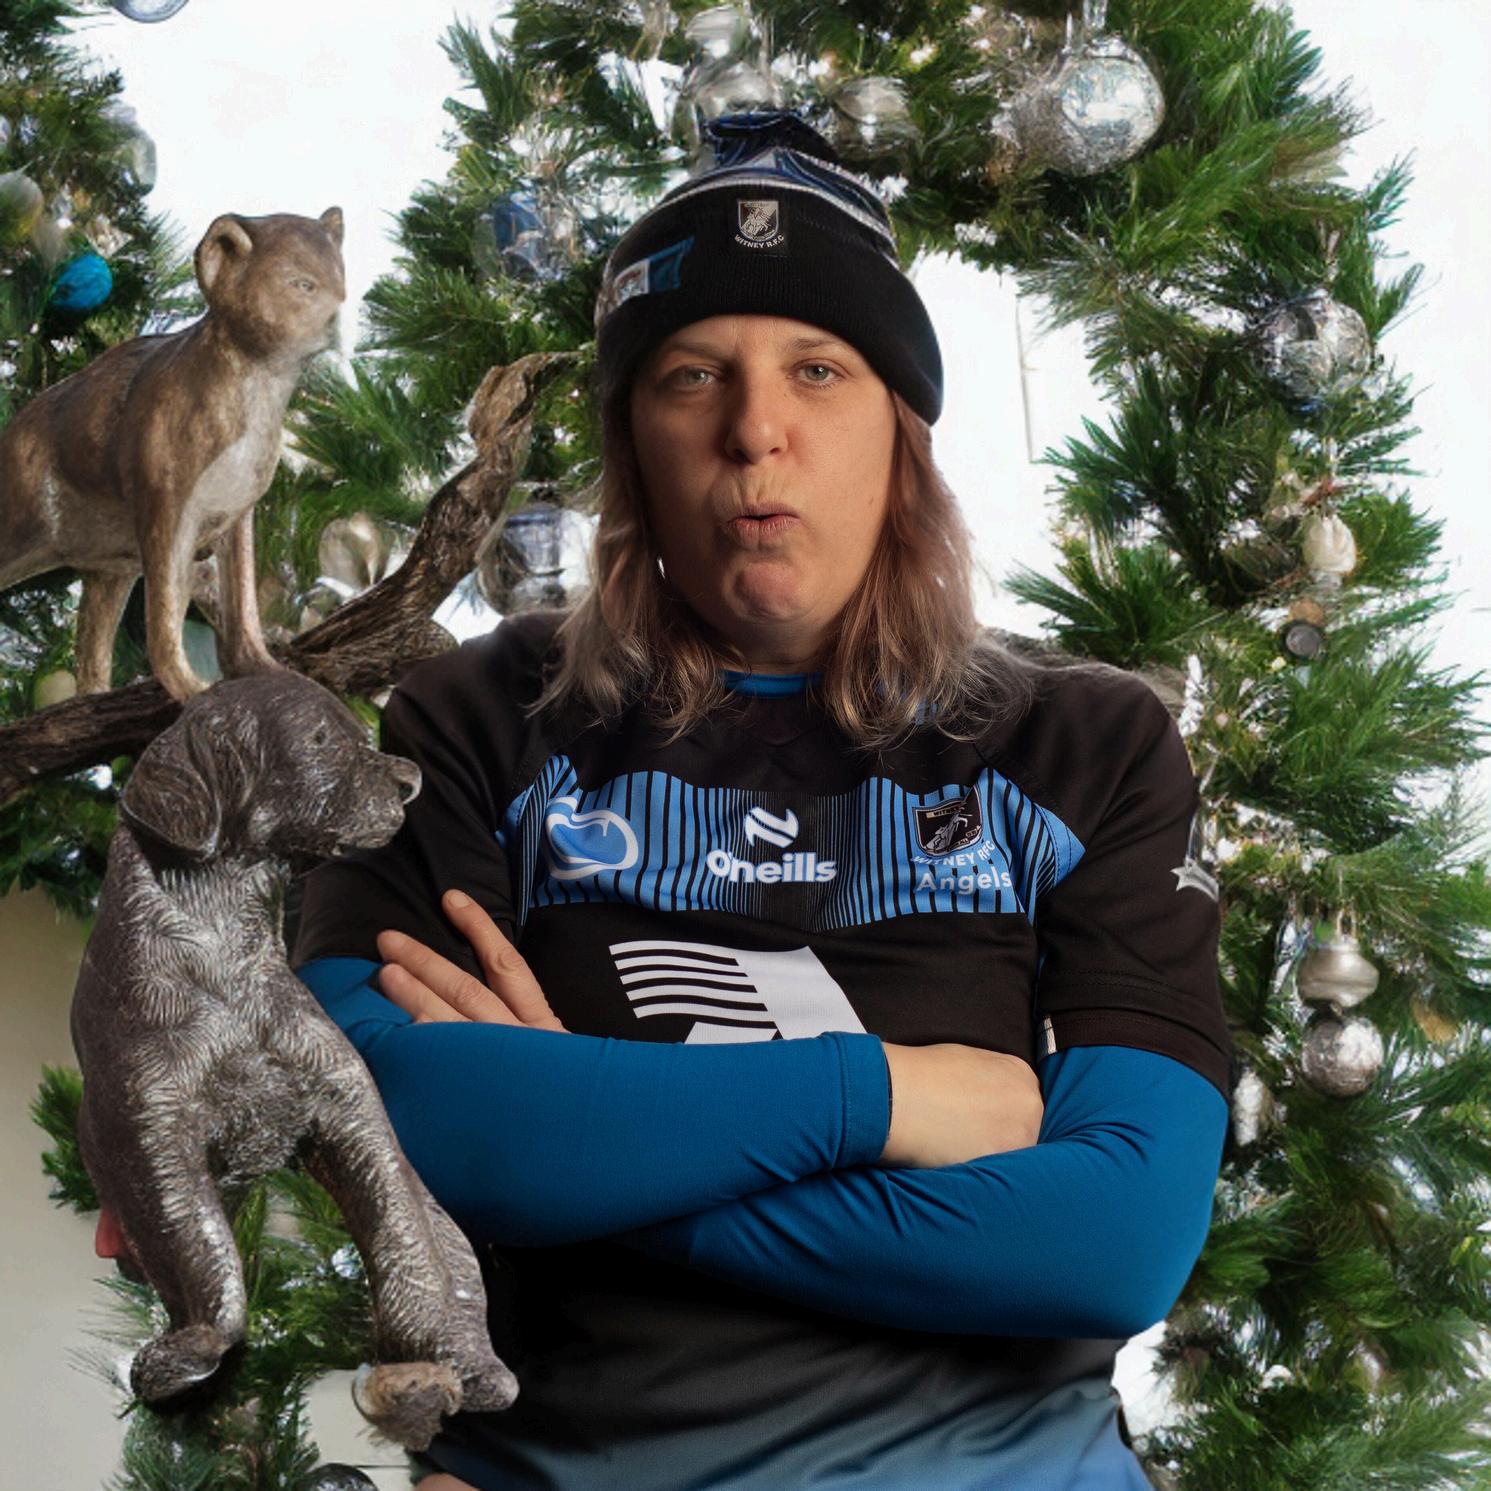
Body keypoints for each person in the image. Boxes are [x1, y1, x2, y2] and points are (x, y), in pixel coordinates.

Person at [288, 111, 1237, 1491]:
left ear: (902, 431)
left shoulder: (1084, 744)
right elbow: (379, 1113)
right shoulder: (477, 718)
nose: (754, 433)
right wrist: (876, 1095)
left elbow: (1113, 1242)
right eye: (691, 376)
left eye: (819, 369)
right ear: (632, 445)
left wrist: (589, 1140)